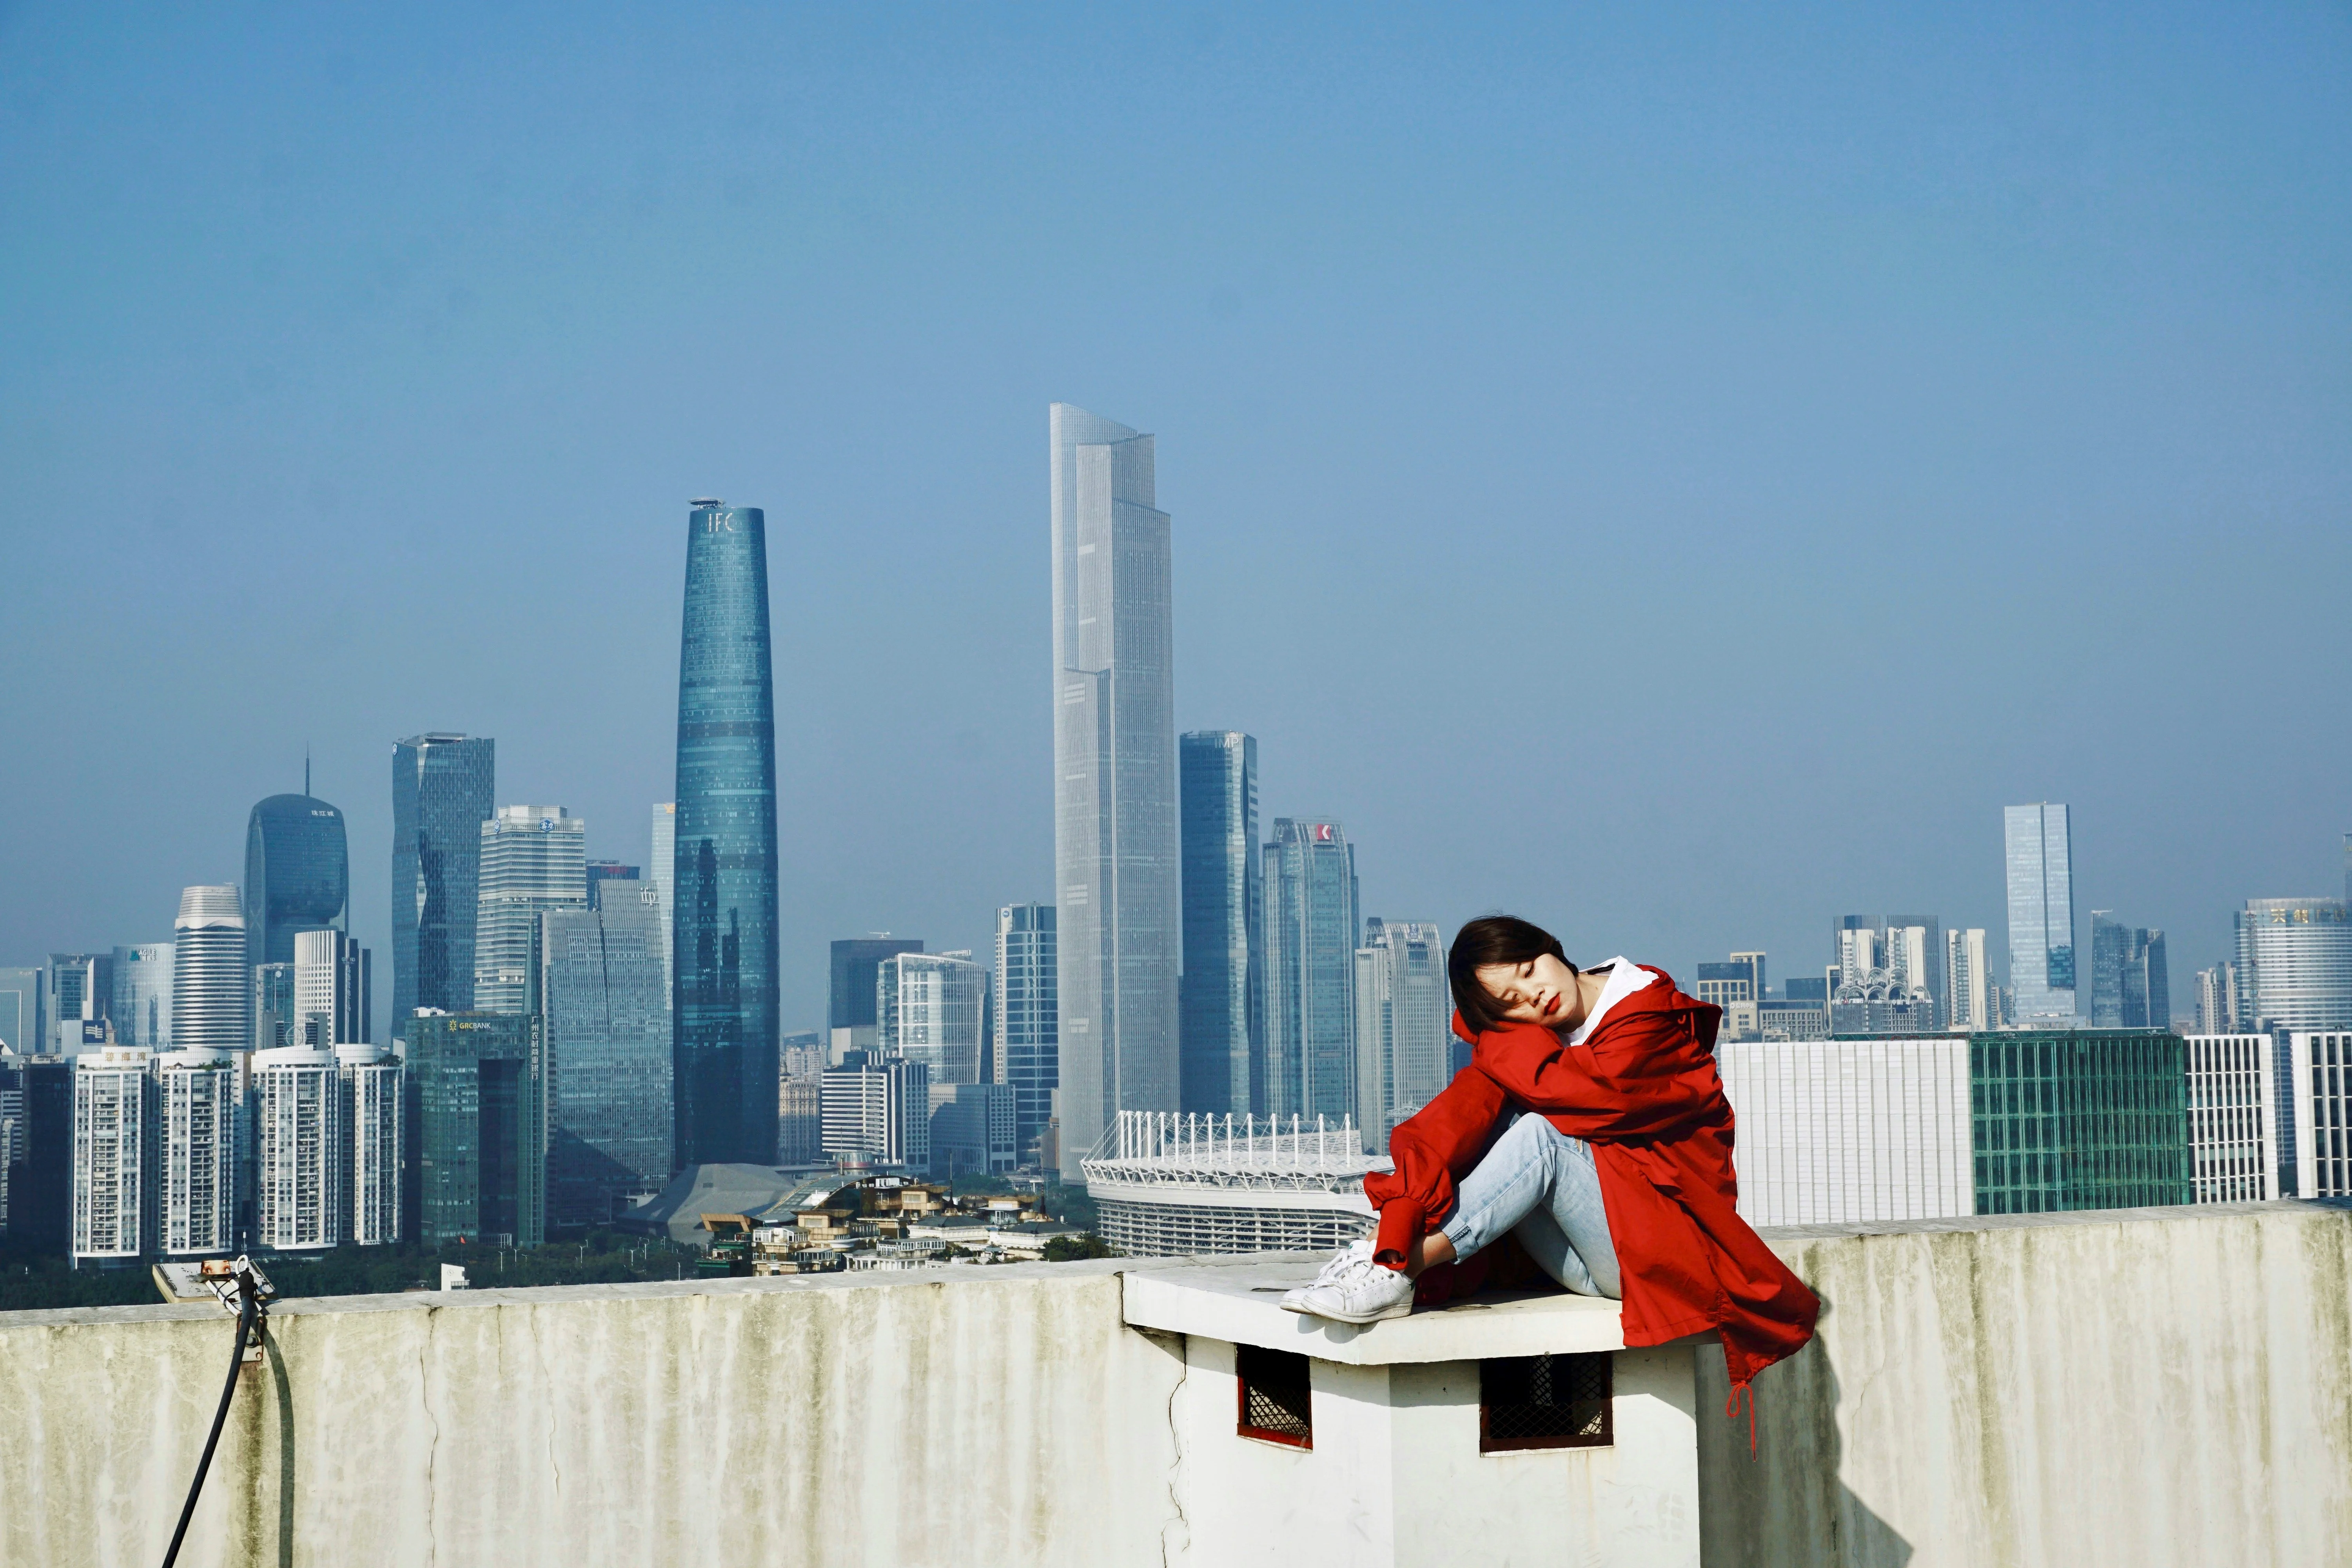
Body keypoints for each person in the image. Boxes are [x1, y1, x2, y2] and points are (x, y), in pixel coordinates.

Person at [1283, 915, 1818, 1404]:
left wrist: (1493, 1037)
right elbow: (1460, 1116)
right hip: (1593, 1251)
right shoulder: (1542, 1039)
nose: (1533, 997)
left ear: (1552, 949)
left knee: (1538, 1131)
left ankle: (1402, 1266)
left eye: (1528, 969)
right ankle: (1390, 1250)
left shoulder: (1647, 1016)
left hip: (1662, 1254)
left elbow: (1585, 1096)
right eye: (1510, 1002)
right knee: (1497, 1114)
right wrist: (1405, 1206)